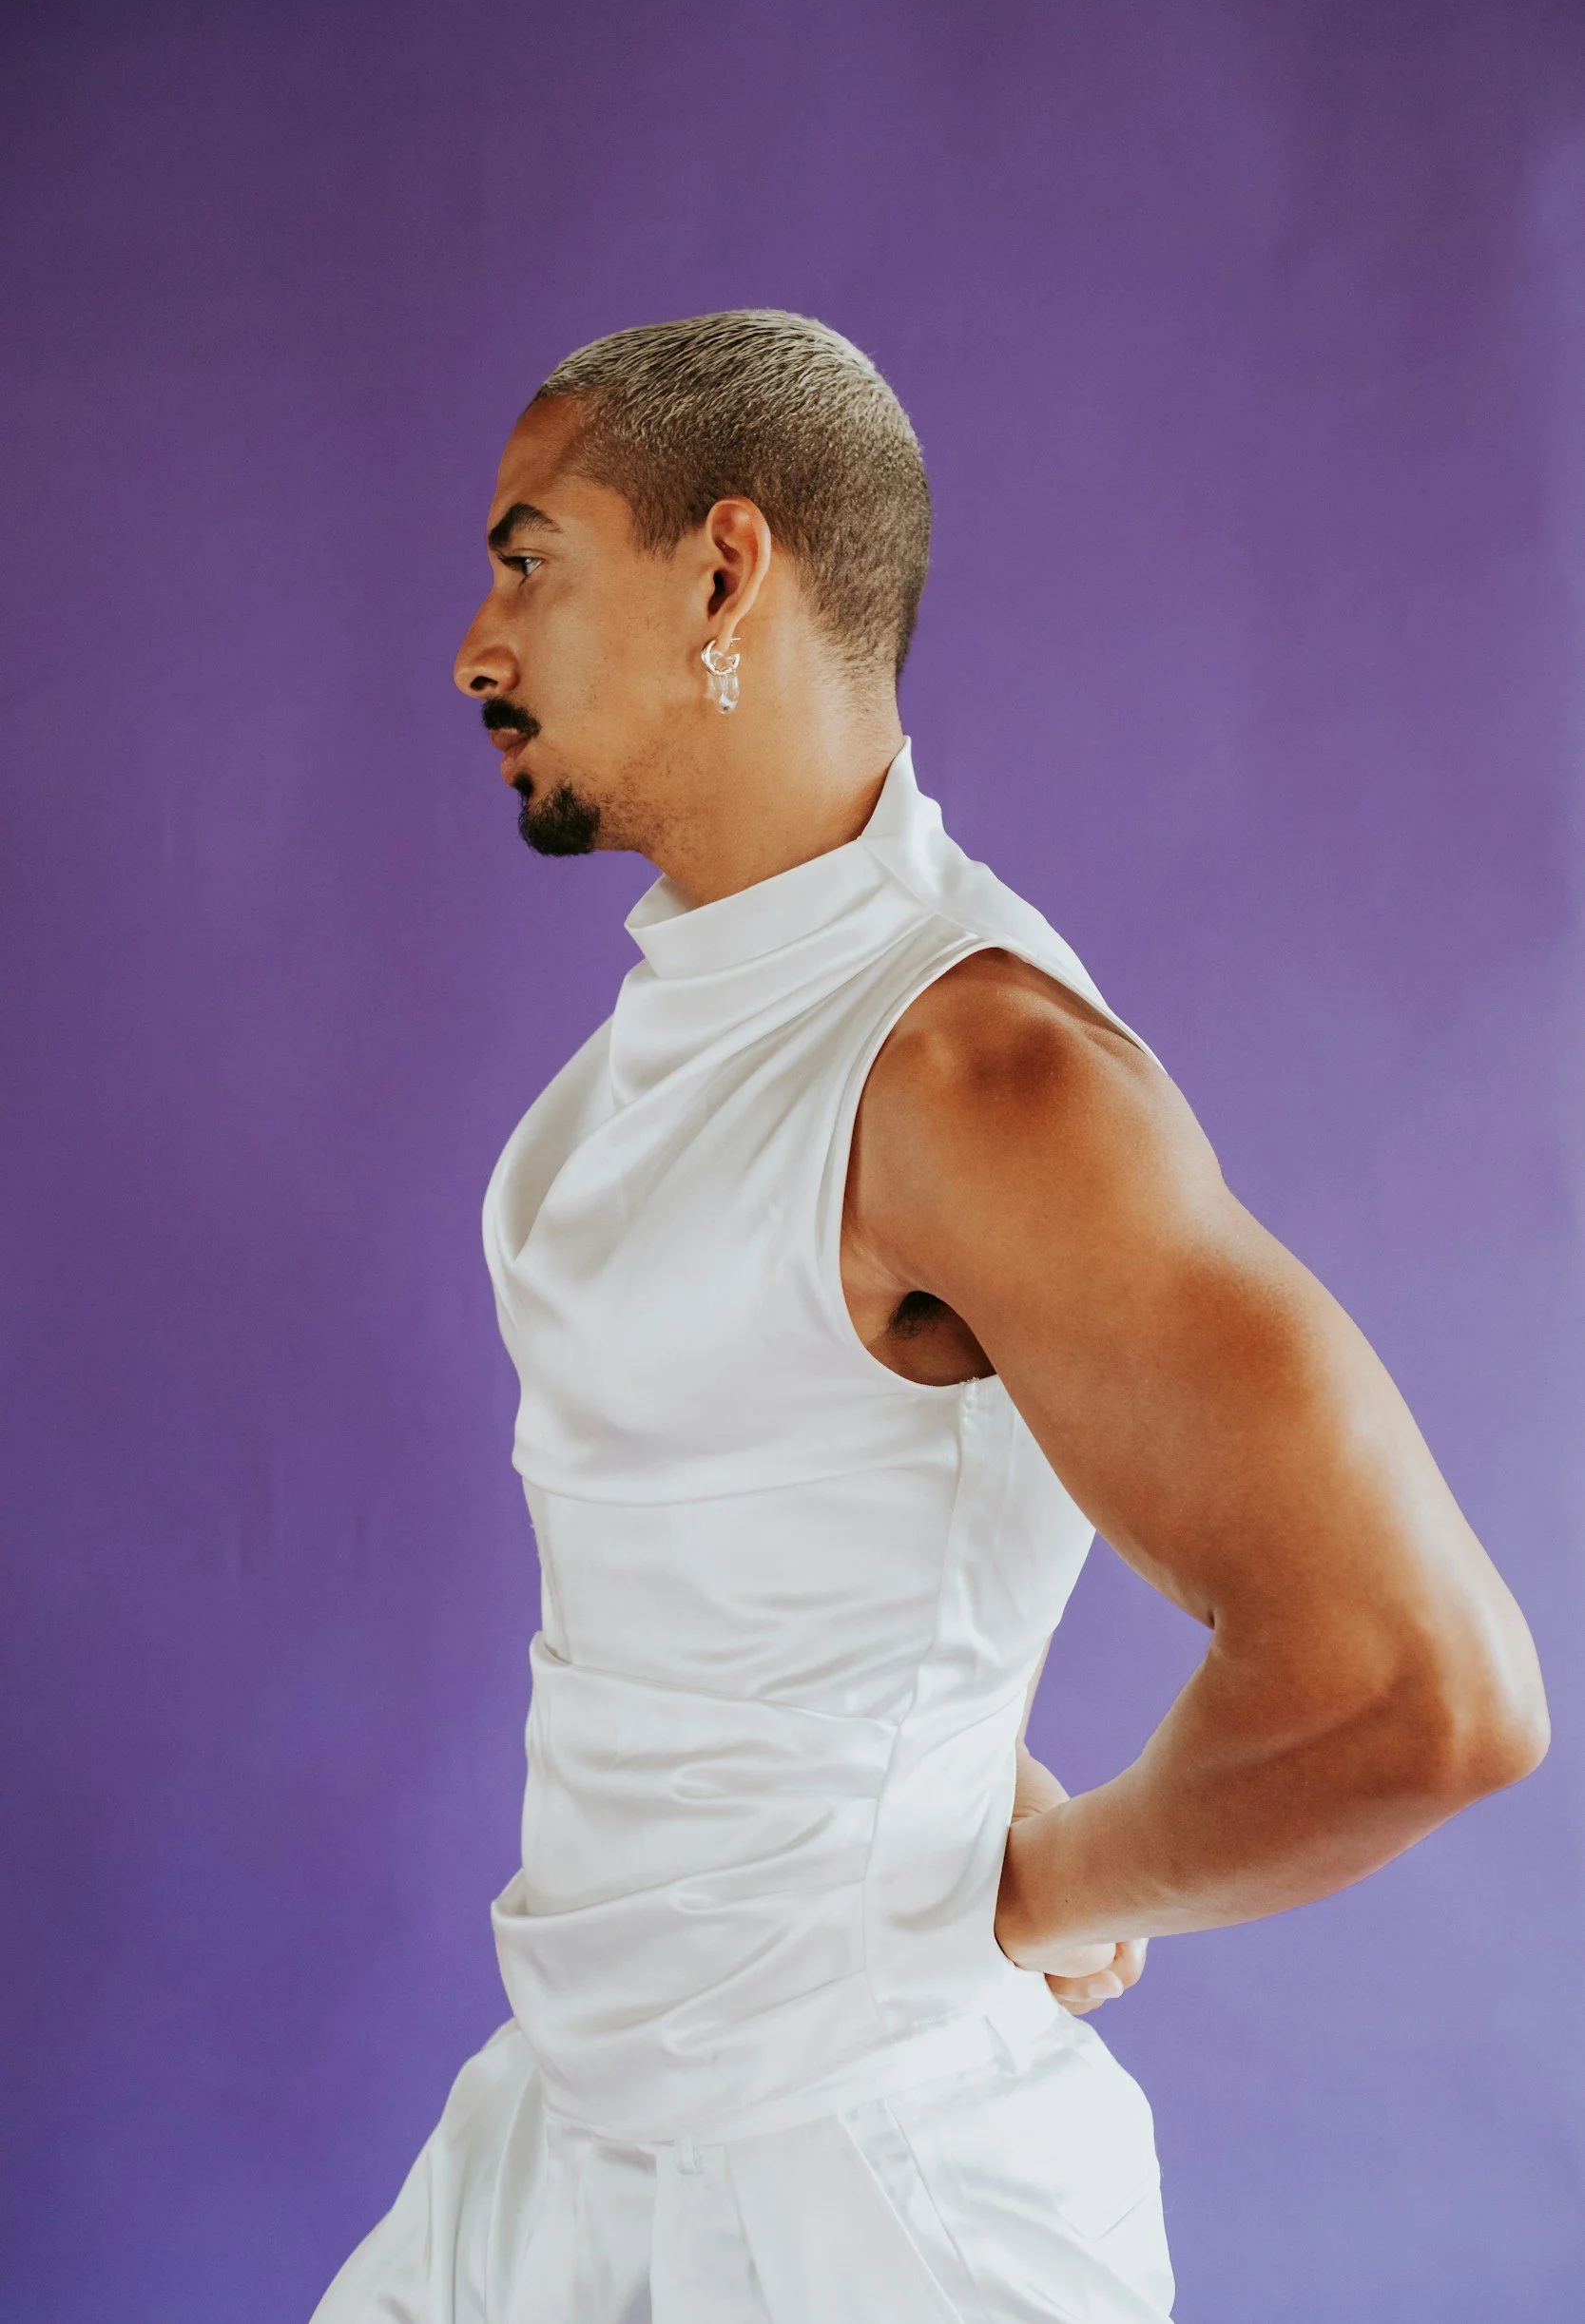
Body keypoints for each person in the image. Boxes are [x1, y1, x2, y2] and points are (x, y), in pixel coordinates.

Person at [310, 311, 1549, 2323]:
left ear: (725, 572)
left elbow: (1422, 1684)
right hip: (560, 2135)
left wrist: (1031, 1886)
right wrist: (938, 1749)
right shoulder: (687, 1037)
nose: (472, 643)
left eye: (526, 558)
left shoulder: (978, 1071)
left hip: (855, 2211)